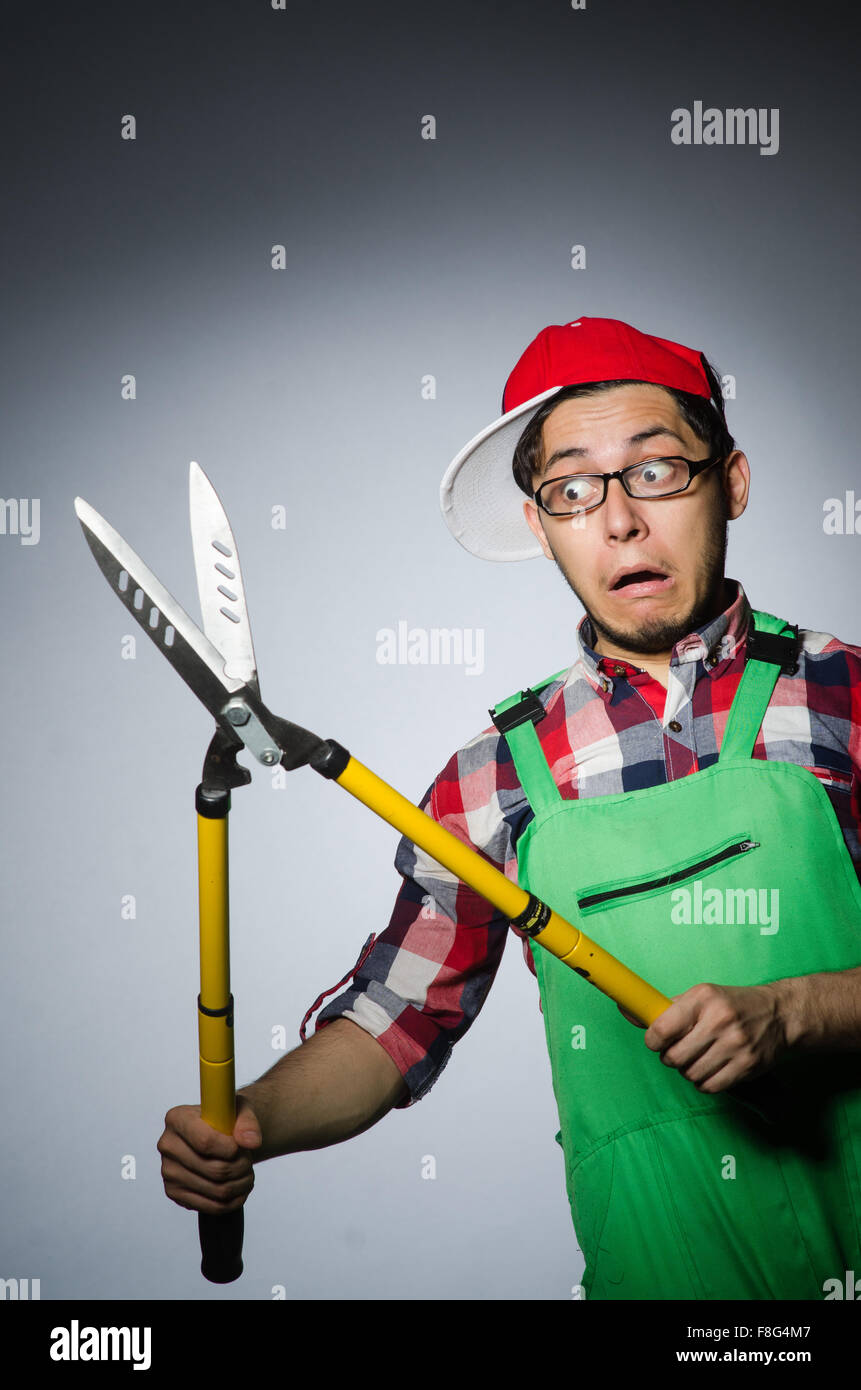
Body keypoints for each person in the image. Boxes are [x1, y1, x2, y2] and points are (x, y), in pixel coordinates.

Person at [159, 315, 861, 1299]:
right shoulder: (493, 778)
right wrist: (250, 1123)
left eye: (656, 470)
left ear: (731, 481)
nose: (619, 519)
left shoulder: (847, 697)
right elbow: (391, 1020)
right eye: (573, 489)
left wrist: (802, 1011)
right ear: (541, 525)